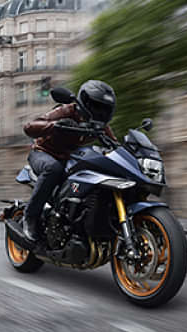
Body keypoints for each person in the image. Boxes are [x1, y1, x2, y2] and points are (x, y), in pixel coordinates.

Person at [22, 80, 118, 241]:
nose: (100, 111)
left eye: (104, 108)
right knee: (53, 169)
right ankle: (30, 217)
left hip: (69, 159)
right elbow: (29, 127)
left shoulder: (100, 125)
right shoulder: (66, 111)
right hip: (43, 153)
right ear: (85, 102)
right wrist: (55, 125)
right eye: (96, 106)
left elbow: (115, 144)